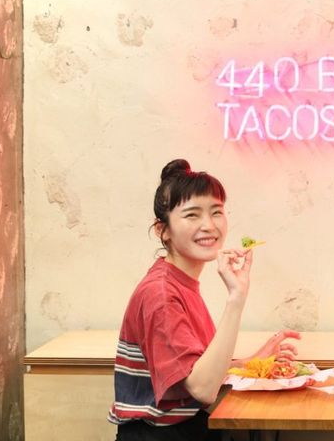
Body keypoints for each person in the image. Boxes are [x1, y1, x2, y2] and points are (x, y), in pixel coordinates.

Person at [108, 159, 300, 440]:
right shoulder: (160, 293)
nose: (209, 225)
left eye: (216, 212)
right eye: (192, 215)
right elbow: (202, 389)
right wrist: (236, 297)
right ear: (163, 230)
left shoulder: (178, 282)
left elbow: (196, 373)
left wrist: (251, 363)